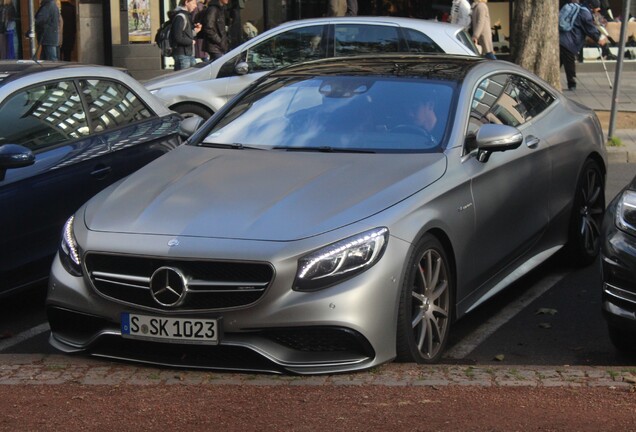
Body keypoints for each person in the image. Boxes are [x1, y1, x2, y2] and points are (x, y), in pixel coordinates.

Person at [559, 0, 607, 90]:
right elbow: (590, 29)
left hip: (563, 39)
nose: (598, 10)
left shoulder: (580, 9)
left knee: (559, 60)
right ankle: (572, 84)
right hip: (569, 42)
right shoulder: (585, 14)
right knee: (569, 63)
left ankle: (547, 81)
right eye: (596, 8)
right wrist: (599, 38)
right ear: (591, 6)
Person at [171, 0, 202, 71]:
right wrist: (190, 42)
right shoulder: (180, 17)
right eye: (193, 3)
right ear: (186, 2)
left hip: (188, 53)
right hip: (183, 54)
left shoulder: (186, 16)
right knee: (183, 79)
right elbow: (178, 37)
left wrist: (195, 31)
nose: (195, 6)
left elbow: (186, 34)